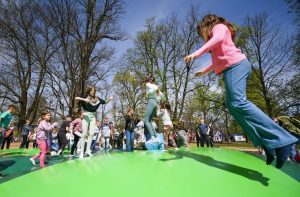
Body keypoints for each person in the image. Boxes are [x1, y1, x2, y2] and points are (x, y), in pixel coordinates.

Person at [184, 14, 298, 168]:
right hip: (232, 68)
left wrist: (196, 53)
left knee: (238, 102)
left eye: (201, 33)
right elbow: (217, 60)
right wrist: (204, 71)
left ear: (206, 25)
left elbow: (215, 40)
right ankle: (267, 144)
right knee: (233, 106)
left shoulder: (219, 28)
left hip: (236, 66)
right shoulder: (219, 37)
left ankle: (283, 139)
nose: (202, 36)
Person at [75, 85, 113, 159]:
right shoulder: (85, 96)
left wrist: (110, 99)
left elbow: (104, 102)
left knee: (92, 134)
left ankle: (88, 150)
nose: (93, 92)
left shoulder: (97, 98)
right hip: (86, 116)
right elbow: (76, 98)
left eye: (94, 90)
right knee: (84, 134)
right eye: (92, 90)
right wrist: (83, 99)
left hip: (93, 117)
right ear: (89, 90)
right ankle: (81, 153)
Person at [143, 76, 162, 142]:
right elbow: (160, 96)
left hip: (151, 101)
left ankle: (152, 137)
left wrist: (145, 80)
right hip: (155, 103)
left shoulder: (148, 84)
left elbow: (146, 82)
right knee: (150, 121)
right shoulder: (156, 86)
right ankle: (156, 137)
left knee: (145, 120)